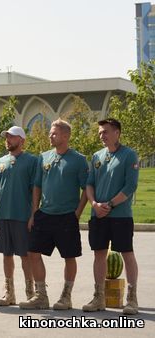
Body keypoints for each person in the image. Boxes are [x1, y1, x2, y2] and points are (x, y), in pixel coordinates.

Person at [19, 119, 88, 310]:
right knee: (33, 252)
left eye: (54, 133)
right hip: (44, 214)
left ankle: (66, 296)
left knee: (69, 256)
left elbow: (86, 188)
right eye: (50, 132)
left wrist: (78, 212)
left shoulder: (79, 159)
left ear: (66, 136)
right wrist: (34, 212)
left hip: (67, 216)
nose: (50, 135)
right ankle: (41, 295)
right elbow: (37, 186)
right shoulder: (44, 157)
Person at [82, 118, 140, 315]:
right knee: (99, 254)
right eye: (100, 132)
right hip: (98, 215)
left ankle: (132, 299)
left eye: (105, 132)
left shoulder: (129, 155)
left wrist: (111, 204)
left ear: (117, 133)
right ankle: (99, 298)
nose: (102, 136)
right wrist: (95, 204)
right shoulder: (97, 156)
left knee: (127, 254)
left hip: (121, 216)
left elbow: (130, 186)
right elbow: (89, 184)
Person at [0, 126, 37, 306]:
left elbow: (35, 190)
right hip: (2, 216)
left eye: (12, 137)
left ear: (22, 140)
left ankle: (30, 292)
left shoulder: (32, 161)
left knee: (26, 255)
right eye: (7, 137)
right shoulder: (0, 162)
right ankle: (9, 293)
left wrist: (33, 214)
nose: (8, 140)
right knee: (6, 254)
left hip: (23, 216)